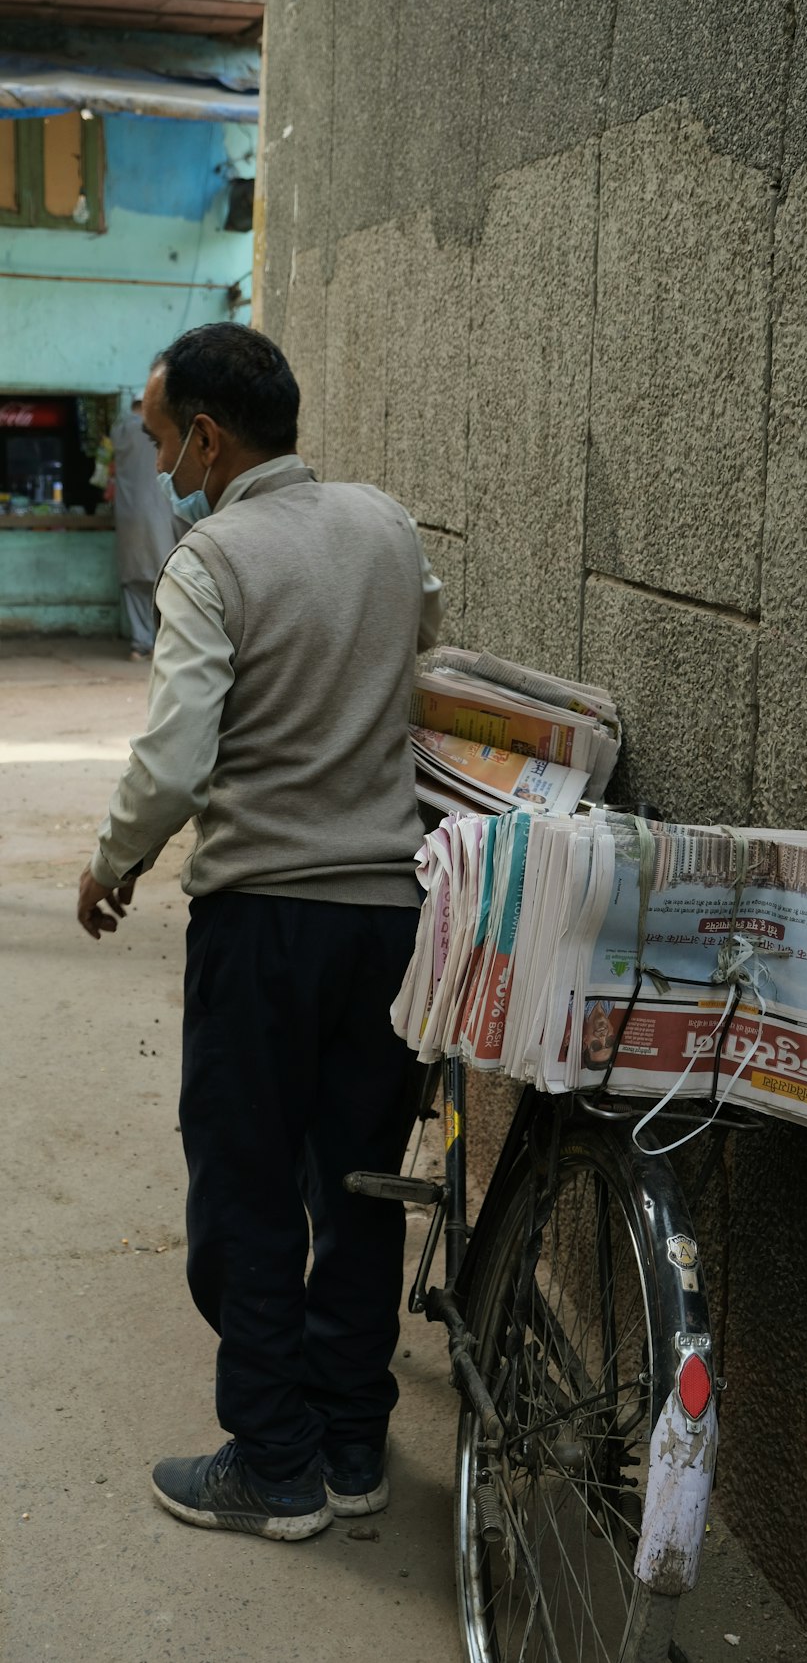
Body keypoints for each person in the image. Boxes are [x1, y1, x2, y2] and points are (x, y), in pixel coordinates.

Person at [77, 323, 443, 1542]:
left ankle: (273, 1463)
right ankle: (350, 1440)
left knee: (243, 1190)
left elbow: (177, 759)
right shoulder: (388, 526)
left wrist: (112, 859)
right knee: (355, 1187)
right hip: (392, 923)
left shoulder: (211, 559)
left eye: (155, 422)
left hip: (264, 926)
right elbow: (419, 645)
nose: (149, 440)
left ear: (209, 437)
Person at [110, 395, 179, 659]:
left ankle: (141, 644)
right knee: (163, 582)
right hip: (160, 515)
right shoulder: (162, 431)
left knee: (132, 582)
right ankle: (162, 645)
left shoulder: (119, 432)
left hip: (128, 517)